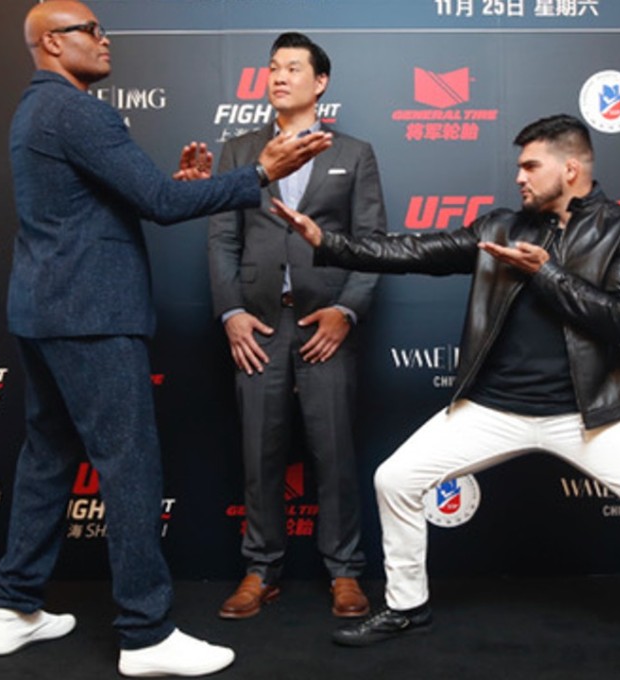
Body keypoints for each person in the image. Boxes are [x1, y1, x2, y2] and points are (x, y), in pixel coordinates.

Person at [272, 114, 620, 672]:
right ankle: (406, 606)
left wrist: (546, 273)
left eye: (530, 165)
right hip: (493, 407)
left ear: (570, 169)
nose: (518, 177)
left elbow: (619, 319)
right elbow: (414, 252)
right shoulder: (500, 226)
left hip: (589, 413)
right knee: (395, 478)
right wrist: (328, 242)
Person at [0, 2, 331, 677]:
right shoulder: (77, 109)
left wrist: (177, 186)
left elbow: (128, 200)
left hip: (45, 310)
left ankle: (14, 605)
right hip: (91, 316)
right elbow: (161, 207)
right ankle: (145, 634)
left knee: (49, 457)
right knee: (130, 467)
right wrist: (259, 172)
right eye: (91, 30)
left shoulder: (36, 109)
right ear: (54, 43)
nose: (105, 39)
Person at [208, 32, 386, 620]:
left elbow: (370, 245)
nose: (279, 76)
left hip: (324, 325)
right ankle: (260, 569)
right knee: (258, 452)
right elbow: (222, 240)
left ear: (320, 82)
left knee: (333, 450)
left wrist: (347, 310)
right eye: (272, 68)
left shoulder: (354, 153)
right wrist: (231, 313)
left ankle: (345, 573)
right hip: (258, 326)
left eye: (292, 67)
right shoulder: (237, 151)